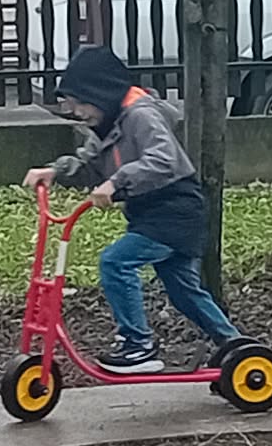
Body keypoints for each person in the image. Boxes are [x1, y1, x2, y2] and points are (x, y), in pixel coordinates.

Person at [21, 45, 242, 374]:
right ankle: (237, 346)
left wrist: (116, 182)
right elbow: (91, 161)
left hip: (174, 209)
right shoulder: (109, 122)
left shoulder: (141, 115)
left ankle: (138, 345)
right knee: (183, 291)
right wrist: (55, 171)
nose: (77, 112)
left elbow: (164, 159)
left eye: (79, 103)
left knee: (116, 262)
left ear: (100, 92)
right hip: (149, 211)